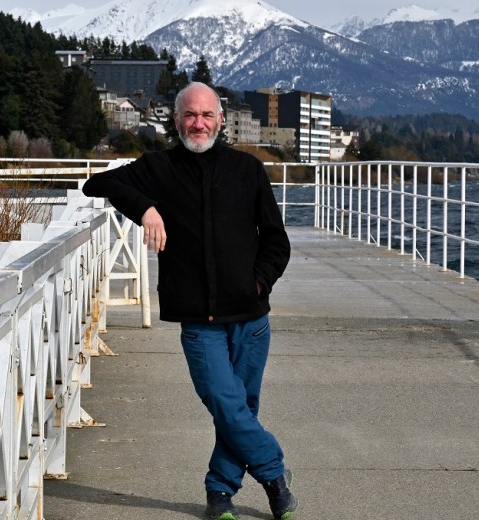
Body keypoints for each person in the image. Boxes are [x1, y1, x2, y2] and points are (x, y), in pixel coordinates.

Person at [82, 82, 297, 520]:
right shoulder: (158, 168)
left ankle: (220, 491)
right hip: (199, 321)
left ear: (220, 120)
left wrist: (258, 284)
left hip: (252, 318)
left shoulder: (248, 171)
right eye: (189, 115)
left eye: (206, 115)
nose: (198, 123)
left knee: (241, 408)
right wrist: (145, 208)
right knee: (224, 400)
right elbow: (96, 183)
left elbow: (277, 242)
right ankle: (275, 475)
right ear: (175, 120)